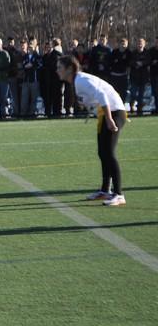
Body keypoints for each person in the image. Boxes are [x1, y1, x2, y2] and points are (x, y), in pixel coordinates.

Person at [56, 55, 127, 207]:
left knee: (109, 153)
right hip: (107, 112)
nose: (57, 71)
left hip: (113, 112)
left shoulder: (80, 80)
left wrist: (109, 119)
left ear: (69, 69)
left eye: (60, 68)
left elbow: (102, 95)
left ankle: (119, 194)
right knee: (103, 153)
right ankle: (105, 190)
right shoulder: (76, 81)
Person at [20, 37, 42, 118]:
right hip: (26, 80)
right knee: (24, 98)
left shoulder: (37, 56)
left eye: (31, 47)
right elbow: (24, 65)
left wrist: (32, 65)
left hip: (34, 80)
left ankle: (32, 113)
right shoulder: (25, 56)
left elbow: (39, 65)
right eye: (29, 47)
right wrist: (28, 65)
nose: (30, 48)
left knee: (34, 98)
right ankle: (23, 113)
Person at [129, 38, 150, 115]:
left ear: (144, 44)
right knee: (133, 94)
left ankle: (139, 111)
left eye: (141, 43)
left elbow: (149, 61)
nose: (140, 44)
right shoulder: (133, 53)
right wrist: (136, 64)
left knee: (141, 95)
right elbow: (130, 62)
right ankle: (131, 105)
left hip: (143, 77)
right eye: (138, 43)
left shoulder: (147, 53)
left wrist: (142, 63)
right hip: (134, 77)